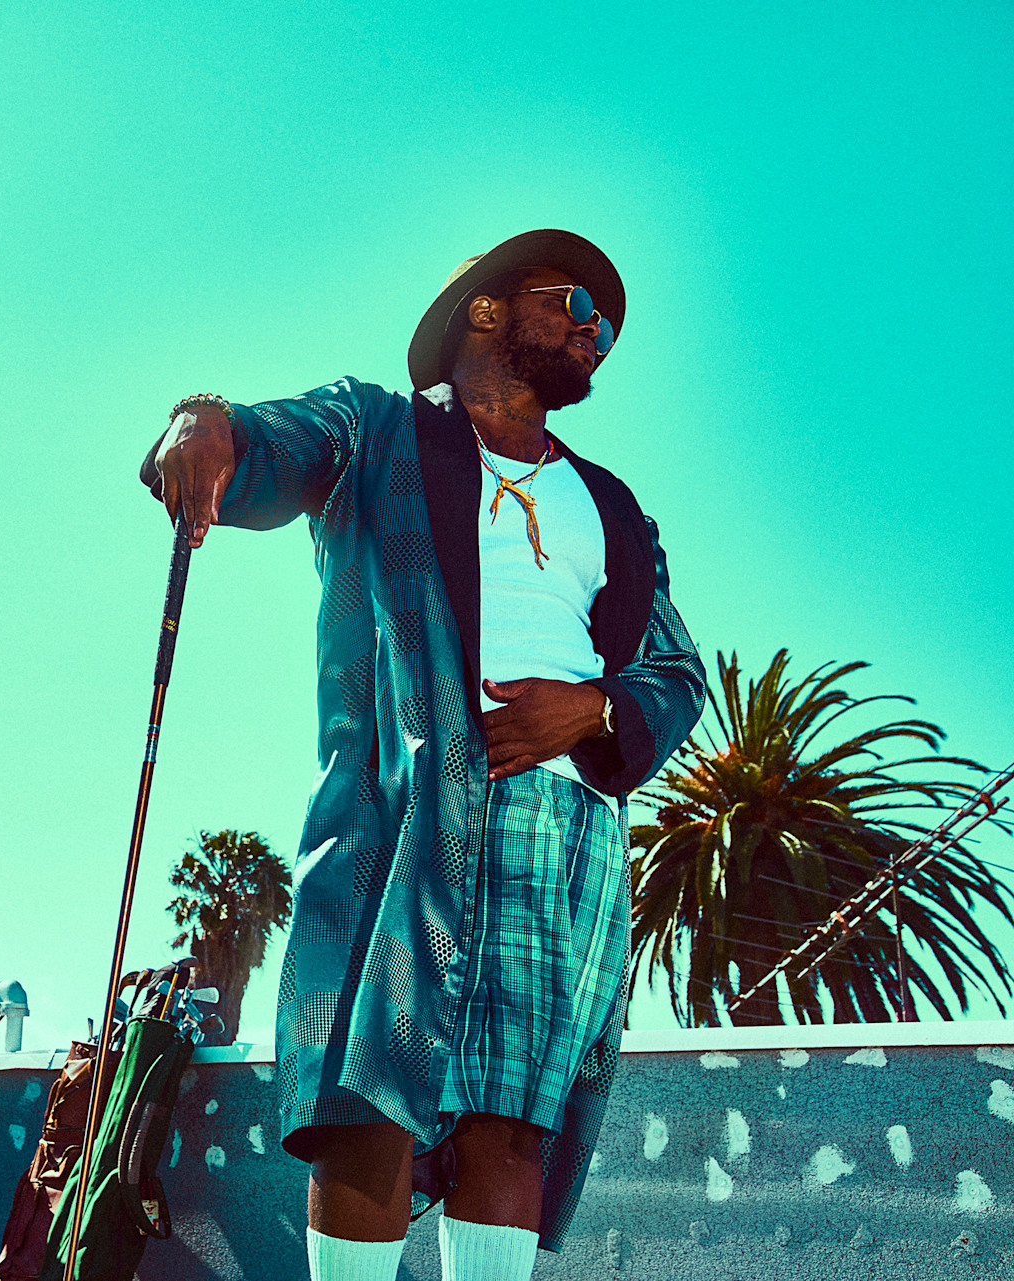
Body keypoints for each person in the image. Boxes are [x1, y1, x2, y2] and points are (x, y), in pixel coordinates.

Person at [144, 229, 705, 1281]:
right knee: (371, 1102)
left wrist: (590, 710)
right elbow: (274, 440)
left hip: (572, 824)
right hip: (407, 803)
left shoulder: (616, 507)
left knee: (512, 1122)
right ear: (486, 309)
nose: (598, 334)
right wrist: (205, 422)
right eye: (578, 305)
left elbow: (675, 669)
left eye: (609, 328)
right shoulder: (378, 430)